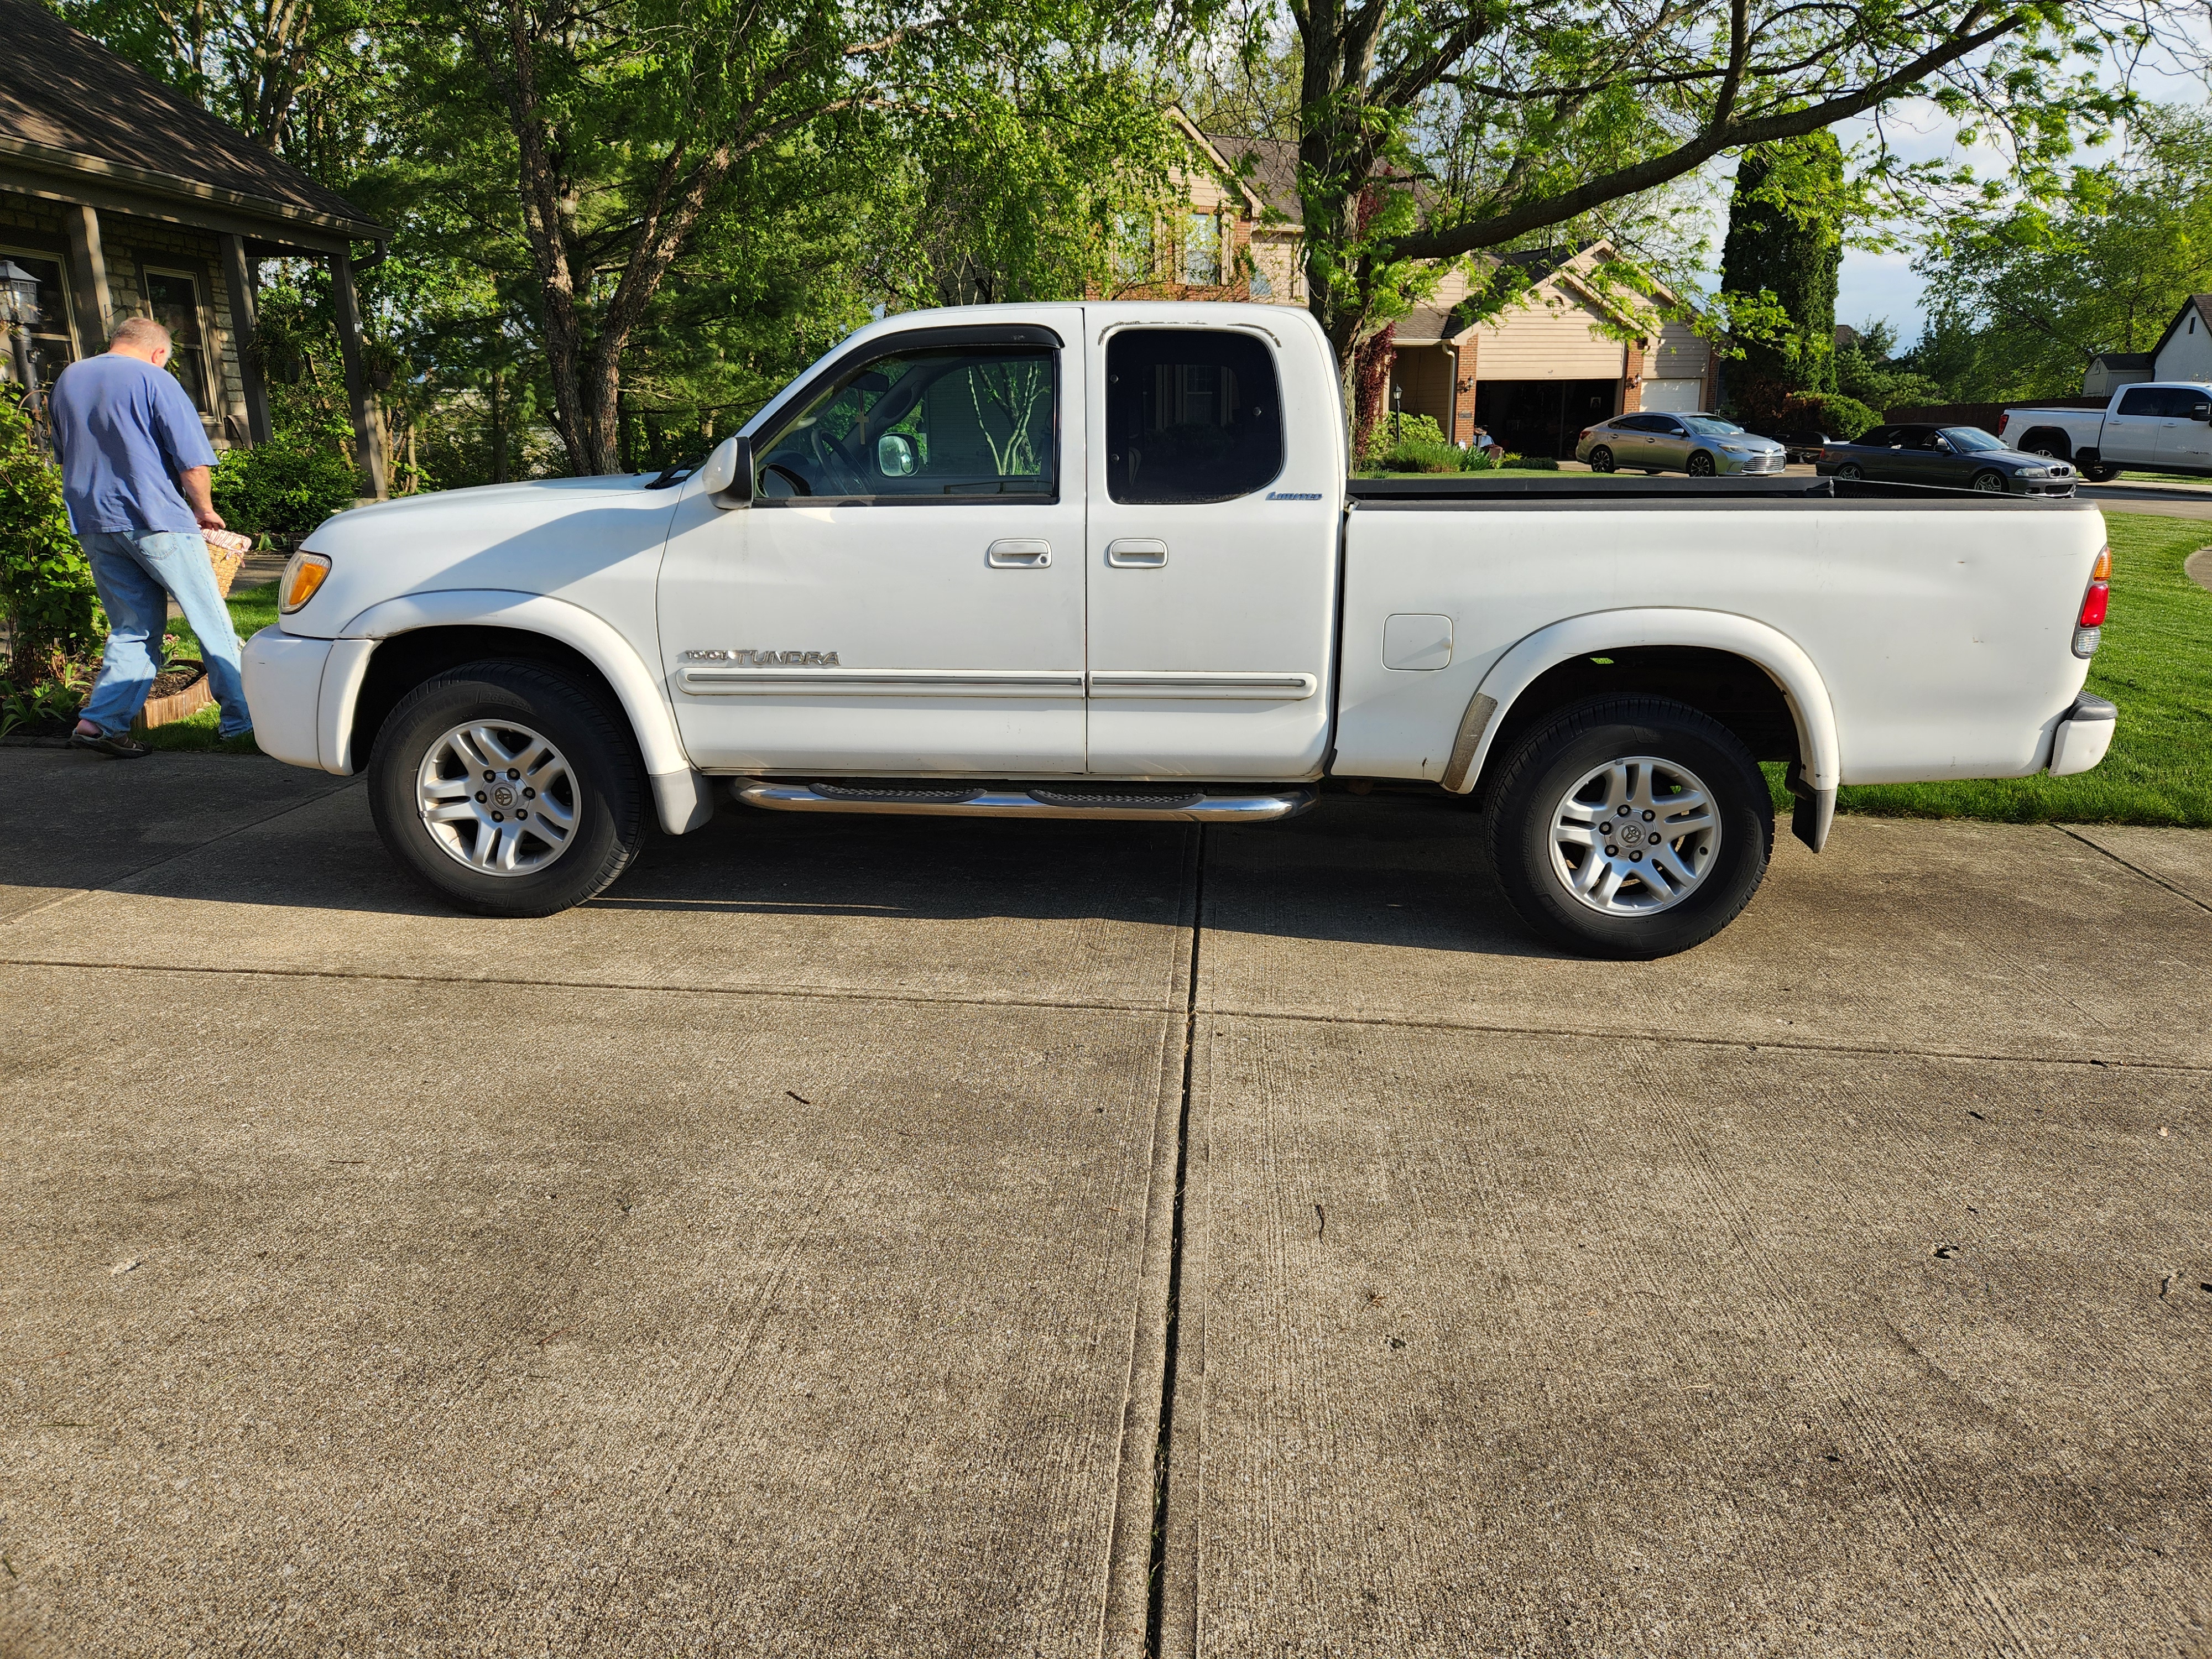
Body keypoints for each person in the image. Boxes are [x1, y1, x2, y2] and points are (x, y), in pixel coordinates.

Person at [46, 315, 252, 758]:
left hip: (93, 519)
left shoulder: (69, 378)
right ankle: (241, 723)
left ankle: (99, 723)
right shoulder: (154, 379)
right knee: (209, 619)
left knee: (132, 628)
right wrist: (204, 510)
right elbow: (193, 461)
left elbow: (64, 453)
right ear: (159, 353)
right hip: (154, 517)